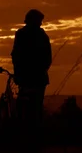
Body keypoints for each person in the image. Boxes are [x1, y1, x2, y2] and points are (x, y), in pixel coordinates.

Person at [11, 9, 52, 146]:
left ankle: (26, 136)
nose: (41, 23)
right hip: (37, 77)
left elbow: (16, 55)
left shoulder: (22, 34)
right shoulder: (41, 35)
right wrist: (41, 70)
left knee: (27, 107)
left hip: (27, 77)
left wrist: (18, 73)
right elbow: (48, 58)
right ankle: (34, 137)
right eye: (39, 20)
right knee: (35, 108)